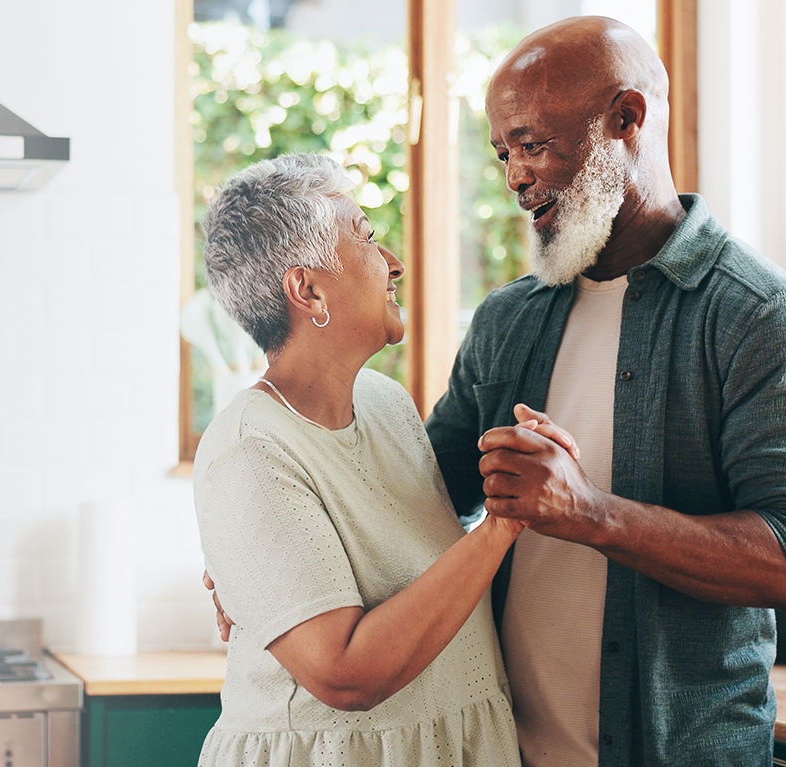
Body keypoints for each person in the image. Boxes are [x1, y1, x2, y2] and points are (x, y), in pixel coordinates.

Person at [208, 16, 786, 767]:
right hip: (507, 751)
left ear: (626, 121)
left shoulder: (762, 316)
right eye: (503, 153)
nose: (514, 176)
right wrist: (262, 562)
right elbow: (420, 494)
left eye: (533, 145)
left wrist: (590, 512)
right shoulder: (509, 319)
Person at [192, 152, 578, 766]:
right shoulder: (249, 449)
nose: (393, 262)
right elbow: (346, 674)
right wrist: (507, 518)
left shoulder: (387, 404)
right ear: (308, 289)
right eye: (367, 238)